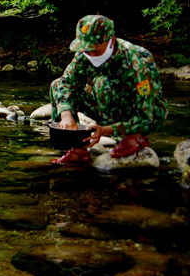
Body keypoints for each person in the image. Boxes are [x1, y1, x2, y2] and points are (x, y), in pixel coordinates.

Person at [49, 14, 169, 165]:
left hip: (146, 113)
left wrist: (105, 130)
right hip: (105, 104)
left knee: (102, 83)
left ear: (111, 40)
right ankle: (79, 148)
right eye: (86, 48)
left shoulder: (138, 59)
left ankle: (133, 137)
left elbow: (147, 114)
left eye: (95, 48)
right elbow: (65, 84)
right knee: (57, 85)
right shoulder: (84, 55)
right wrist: (66, 115)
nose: (90, 53)